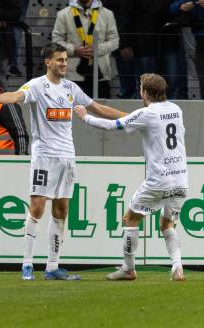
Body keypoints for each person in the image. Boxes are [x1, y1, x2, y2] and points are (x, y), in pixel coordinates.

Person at [0, 43, 126, 281]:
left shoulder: (71, 88)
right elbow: (18, 96)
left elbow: (98, 108)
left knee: (61, 210)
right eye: (59, 60)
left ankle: (52, 267)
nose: (64, 64)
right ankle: (27, 264)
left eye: (65, 60)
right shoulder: (37, 86)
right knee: (38, 207)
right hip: (44, 156)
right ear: (47, 62)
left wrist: (130, 116)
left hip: (67, 156)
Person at [74, 73, 188, 282]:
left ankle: (128, 268)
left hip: (159, 180)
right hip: (180, 180)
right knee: (167, 224)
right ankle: (177, 267)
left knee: (130, 219)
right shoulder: (176, 110)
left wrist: (85, 117)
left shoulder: (147, 113)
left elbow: (113, 125)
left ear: (144, 92)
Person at [118, 0, 185, 98]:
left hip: (169, 42)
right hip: (143, 44)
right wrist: (125, 43)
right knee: (147, 86)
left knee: (172, 83)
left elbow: (183, 5)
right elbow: (124, 15)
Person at [52, 0, 119, 99]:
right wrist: (74, 50)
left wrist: (96, 50)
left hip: (100, 74)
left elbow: (115, 41)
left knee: (101, 115)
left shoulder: (107, 14)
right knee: (73, 115)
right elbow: (56, 41)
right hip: (72, 75)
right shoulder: (63, 14)